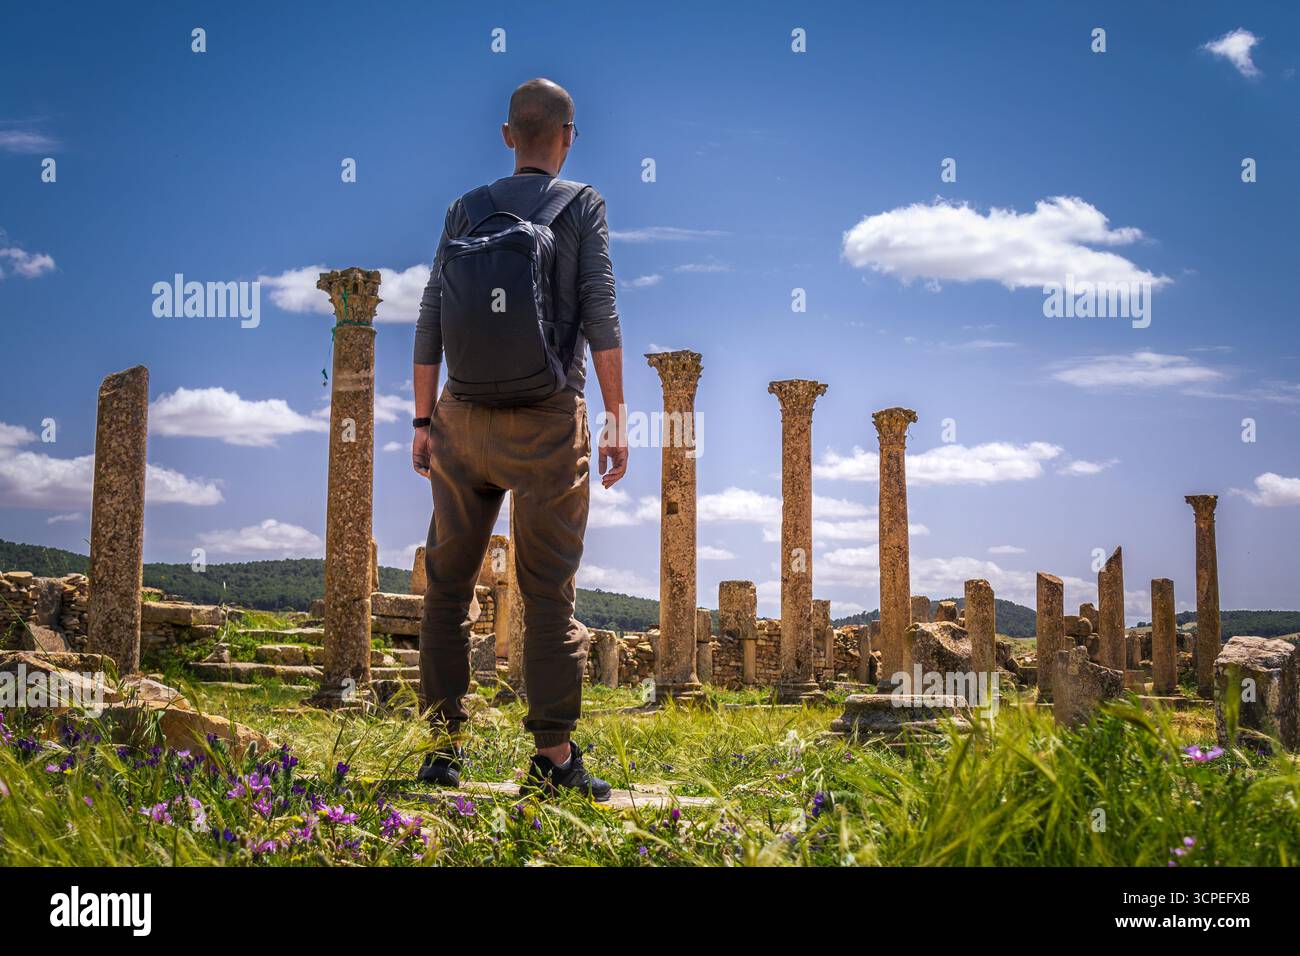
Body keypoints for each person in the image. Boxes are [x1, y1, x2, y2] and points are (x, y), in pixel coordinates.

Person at [409, 78, 628, 800]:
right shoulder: (582, 205)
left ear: (508, 135)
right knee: (547, 595)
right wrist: (618, 415)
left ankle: (441, 749)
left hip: (461, 421)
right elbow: (600, 309)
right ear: (568, 135)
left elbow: (431, 317)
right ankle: (555, 759)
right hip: (546, 422)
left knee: (446, 591)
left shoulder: (464, 210)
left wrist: (422, 422)